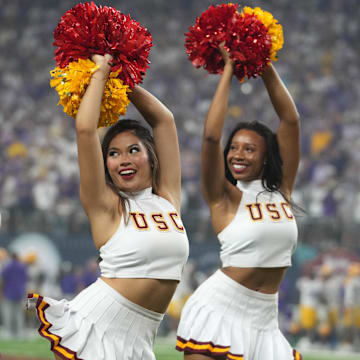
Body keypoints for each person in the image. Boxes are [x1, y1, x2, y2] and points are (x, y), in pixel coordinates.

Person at [27, 54, 189, 360]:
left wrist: (123, 78)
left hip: (140, 341)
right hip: (98, 328)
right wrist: (101, 73)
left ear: (151, 157)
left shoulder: (168, 197)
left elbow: (164, 120)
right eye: (113, 153)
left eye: (133, 150)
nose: (123, 159)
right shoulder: (105, 204)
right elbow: (86, 131)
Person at [176, 44, 302, 359]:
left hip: (265, 320)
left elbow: (290, 121)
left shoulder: (282, 190)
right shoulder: (224, 197)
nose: (238, 155)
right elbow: (210, 138)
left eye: (249, 149)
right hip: (220, 308)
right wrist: (229, 68)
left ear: (266, 157)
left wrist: (264, 62)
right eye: (234, 147)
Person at [1, 251, 28, 339]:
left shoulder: (7, 266)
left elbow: (3, 280)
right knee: (18, 314)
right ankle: (19, 332)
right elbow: (25, 280)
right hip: (19, 292)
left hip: (8, 292)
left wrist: (1, 292)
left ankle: (9, 332)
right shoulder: (22, 267)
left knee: (8, 313)